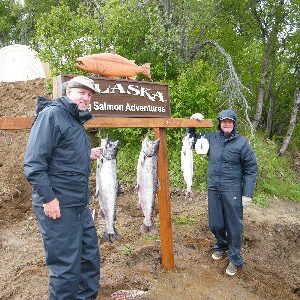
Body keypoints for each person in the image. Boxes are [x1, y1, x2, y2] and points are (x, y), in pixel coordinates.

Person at [24, 76, 102, 299]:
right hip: (58, 204)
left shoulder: (75, 121)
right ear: (68, 92)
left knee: (89, 261)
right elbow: (34, 163)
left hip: (79, 204)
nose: (86, 98)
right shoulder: (52, 115)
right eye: (81, 93)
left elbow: (62, 154)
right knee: (66, 269)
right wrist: (48, 199)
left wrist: (87, 154)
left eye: (89, 95)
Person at [187, 109, 257, 276]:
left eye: (230, 121)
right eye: (224, 121)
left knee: (234, 226)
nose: (227, 124)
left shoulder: (242, 143)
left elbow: (251, 168)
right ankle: (222, 244)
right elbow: (191, 142)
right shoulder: (211, 138)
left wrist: (247, 193)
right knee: (215, 223)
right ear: (220, 123)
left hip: (232, 189)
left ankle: (235, 258)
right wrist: (191, 125)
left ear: (234, 124)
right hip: (213, 188)